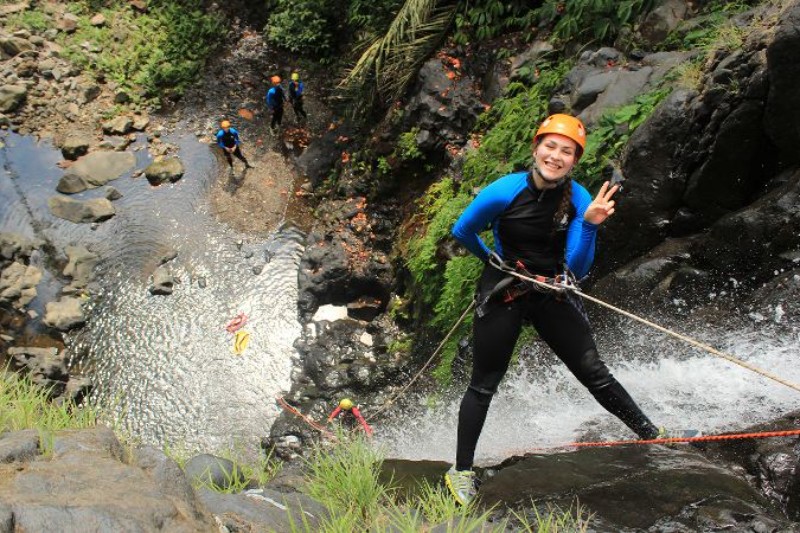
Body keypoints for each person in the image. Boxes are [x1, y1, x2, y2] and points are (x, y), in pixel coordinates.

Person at [444, 114, 667, 506]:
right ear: (536, 148)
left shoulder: (581, 199)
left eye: (566, 151)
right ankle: (461, 470)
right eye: (550, 146)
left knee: (594, 372)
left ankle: (652, 434)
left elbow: (578, 268)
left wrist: (591, 224)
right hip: (505, 291)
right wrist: (494, 260)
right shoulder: (504, 191)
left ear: (574, 161)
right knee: (484, 383)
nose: (556, 156)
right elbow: (463, 230)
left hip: (551, 291)